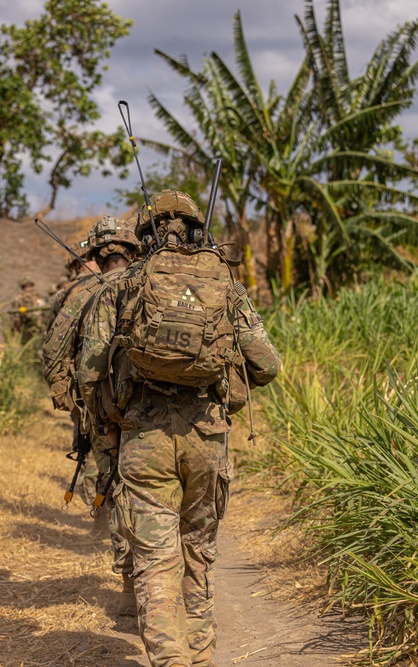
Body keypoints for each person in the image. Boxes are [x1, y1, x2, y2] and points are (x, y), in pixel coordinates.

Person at [77, 190, 280, 667]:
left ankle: (170, 660)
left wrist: (108, 422)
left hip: (143, 437)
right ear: (197, 231)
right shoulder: (226, 287)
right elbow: (267, 365)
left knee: (154, 555)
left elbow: (89, 370)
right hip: (207, 437)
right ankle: (202, 655)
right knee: (199, 550)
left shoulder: (121, 286)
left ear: (144, 236)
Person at [40, 215, 141, 615]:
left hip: (107, 415)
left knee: (118, 491)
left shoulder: (82, 293)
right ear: (134, 251)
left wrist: (76, 404)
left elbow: (52, 355)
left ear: (97, 255)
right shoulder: (156, 281)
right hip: (163, 413)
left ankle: (131, 590)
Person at [9, 275, 46, 343]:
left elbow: (43, 309)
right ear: (23, 288)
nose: (29, 289)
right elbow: (15, 314)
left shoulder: (37, 297)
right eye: (27, 287)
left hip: (37, 325)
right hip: (25, 325)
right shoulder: (19, 298)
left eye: (30, 286)